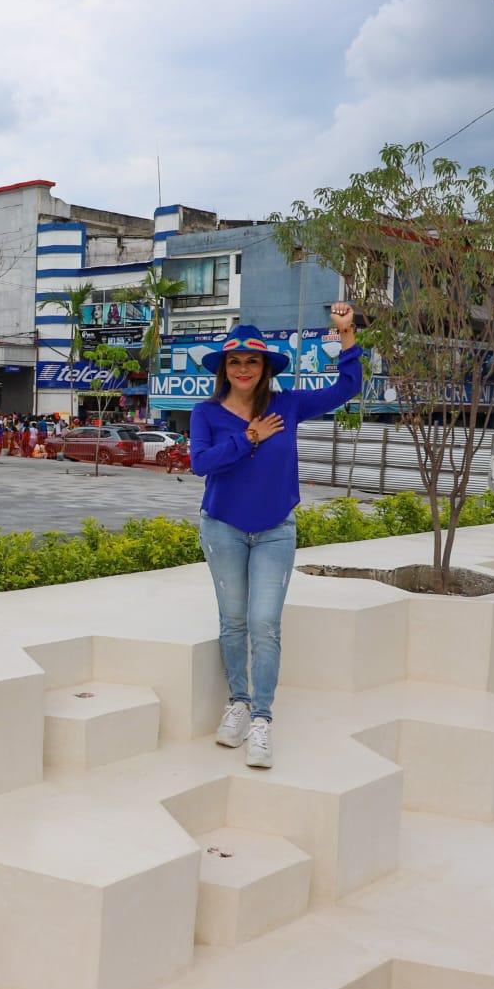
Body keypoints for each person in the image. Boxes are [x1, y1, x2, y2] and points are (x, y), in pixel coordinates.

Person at [191, 305, 360, 769]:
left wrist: (346, 334)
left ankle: (262, 719)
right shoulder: (205, 414)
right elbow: (201, 464)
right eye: (235, 361)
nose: (243, 368)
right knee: (233, 622)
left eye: (252, 361)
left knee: (265, 623)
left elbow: (347, 388)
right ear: (224, 369)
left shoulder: (287, 405)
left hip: (275, 531)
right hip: (222, 527)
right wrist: (250, 437)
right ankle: (238, 704)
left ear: (265, 368)